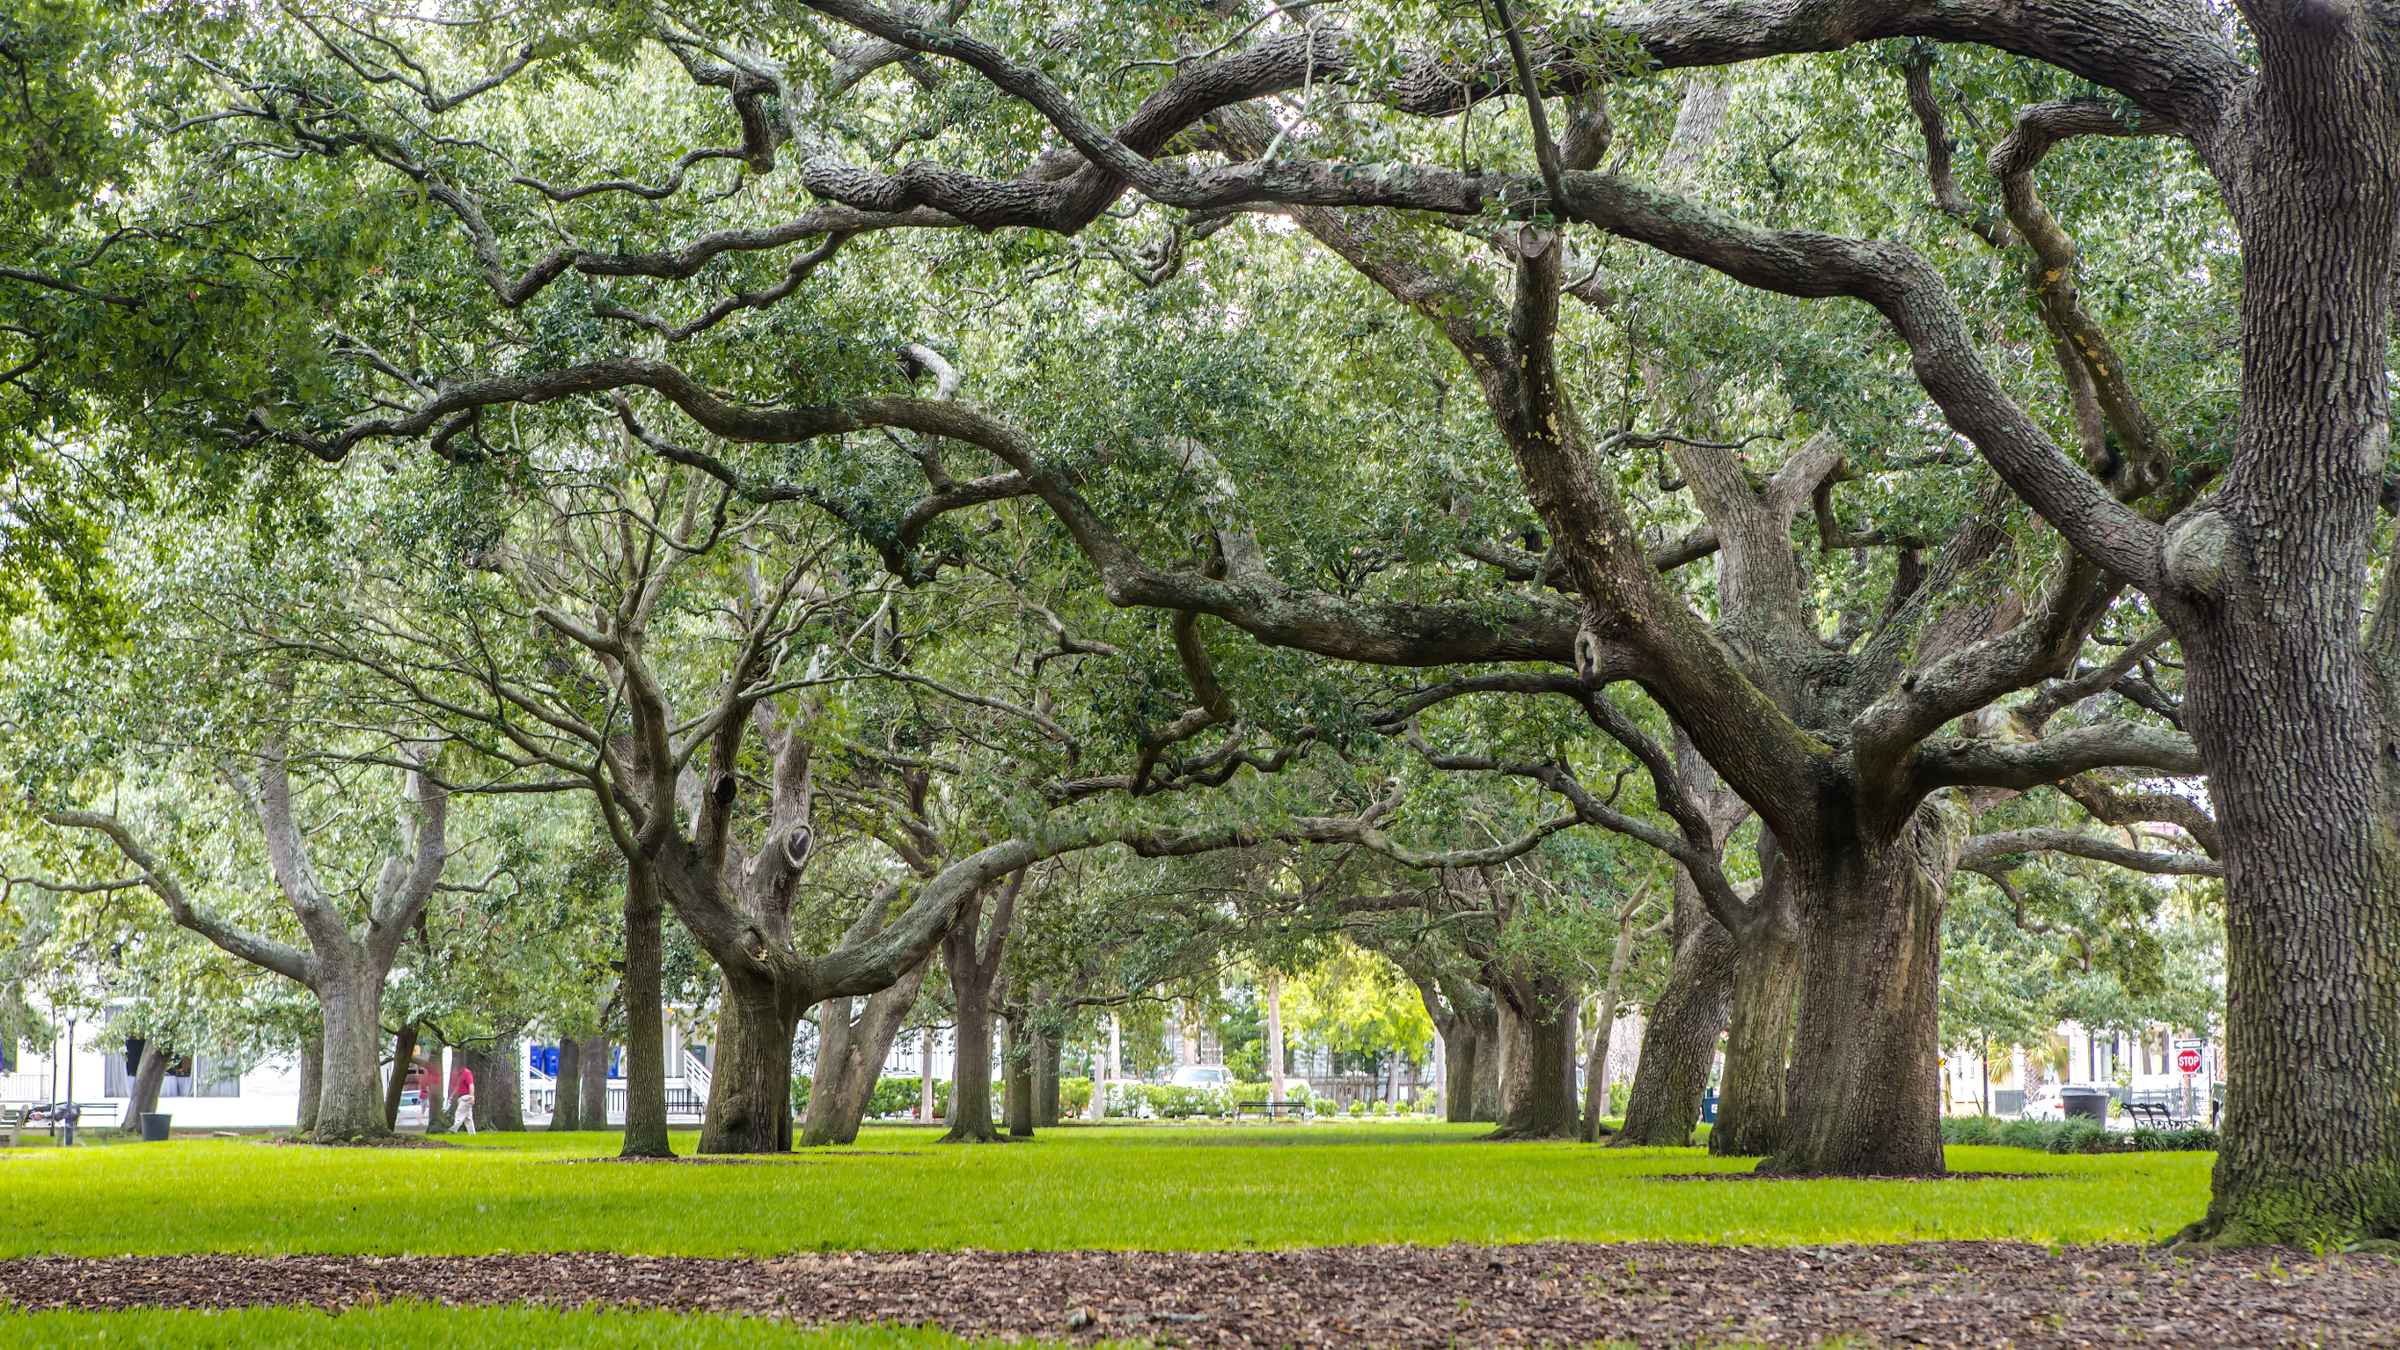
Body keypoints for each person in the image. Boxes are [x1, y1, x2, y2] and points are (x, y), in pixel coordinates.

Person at [451, 1063, 476, 1134]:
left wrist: (472, 1096)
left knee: (458, 1114)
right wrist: (451, 1096)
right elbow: (457, 1087)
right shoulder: (459, 1075)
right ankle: (472, 1135)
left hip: (466, 1097)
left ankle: (453, 1130)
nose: (456, 1069)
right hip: (461, 1098)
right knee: (468, 1118)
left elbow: (471, 1085)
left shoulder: (467, 1073)